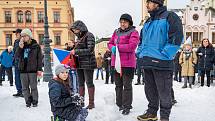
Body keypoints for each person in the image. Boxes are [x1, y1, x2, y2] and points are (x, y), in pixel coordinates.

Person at [136, 0, 183, 121]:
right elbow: (141, 40)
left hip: (162, 62)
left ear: (157, 3)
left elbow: (177, 38)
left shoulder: (170, 16)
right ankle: (152, 113)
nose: (147, 5)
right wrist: (140, 53)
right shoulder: (148, 21)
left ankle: (164, 117)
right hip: (147, 61)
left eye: (149, 2)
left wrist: (165, 54)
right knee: (150, 91)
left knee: (164, 92)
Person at [108, 13, 139, 115]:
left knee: (127, 85)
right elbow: (110, 43)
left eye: (124, 22)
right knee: (118, 85)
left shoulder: (134, 32)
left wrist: (117, 48)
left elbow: (132, 46)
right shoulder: (116, 32)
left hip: (128, 64)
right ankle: (119, 104)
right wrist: (112, 47)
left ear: (129, 23)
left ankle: (127, 106)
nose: (122, 24)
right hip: (116, 63)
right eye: (121, 22)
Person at [70, 20, 97, 109]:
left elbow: (90, 50)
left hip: (88, 63)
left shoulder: (90, 35)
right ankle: (81, 102)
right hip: (79, 63)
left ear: (80, 28)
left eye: (75, 29)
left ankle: (91, 103)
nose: (74, 31)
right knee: (80, 83)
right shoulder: (78, 38)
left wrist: (76, 51)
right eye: (73, 30)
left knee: (89, 83)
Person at [15, 28, 43, 107]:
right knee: (24, 87)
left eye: (25, 36)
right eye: (22, 36)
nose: (23, 38)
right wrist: (20, 48)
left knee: (33, 86)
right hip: (22, 70)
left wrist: (39, 69)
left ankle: (35, 100)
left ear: (29, 36)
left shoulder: (36, 46)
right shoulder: (20, 45)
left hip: (32, 70)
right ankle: (27, 100)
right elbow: (16, 56)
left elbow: (39, 58)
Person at [12, 28, 23, 97]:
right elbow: (14, 52)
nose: (16, 34)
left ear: (20, 34)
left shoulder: (23, 41)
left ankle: (23, 91)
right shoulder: (16, 41)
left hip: (21, 62)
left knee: (21, 77)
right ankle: (19, 91)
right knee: (17, 77)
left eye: (17, 33)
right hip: (16, 62)